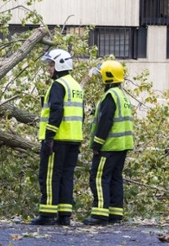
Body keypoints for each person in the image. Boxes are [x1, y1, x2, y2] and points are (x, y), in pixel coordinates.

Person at [30, 49, 84, 226]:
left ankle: (47, 215)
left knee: (50, 176)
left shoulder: (58, 85)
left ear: (60, 64)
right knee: (66, 177)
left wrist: (49, 137)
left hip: (58, 138)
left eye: (51, 65)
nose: (49, 69)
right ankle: (64, 215)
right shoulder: (76, 86)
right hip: (74, 138)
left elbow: (56, 111)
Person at [83, 61, 134, 226]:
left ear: (108, 76)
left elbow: (105, 122)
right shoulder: (122, 97)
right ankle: (115, 213)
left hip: (109, 146)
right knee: (115, 178)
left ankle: (100, 214)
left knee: (98, 178)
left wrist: (97, 145)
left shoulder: (110, 96)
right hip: (122, 145)